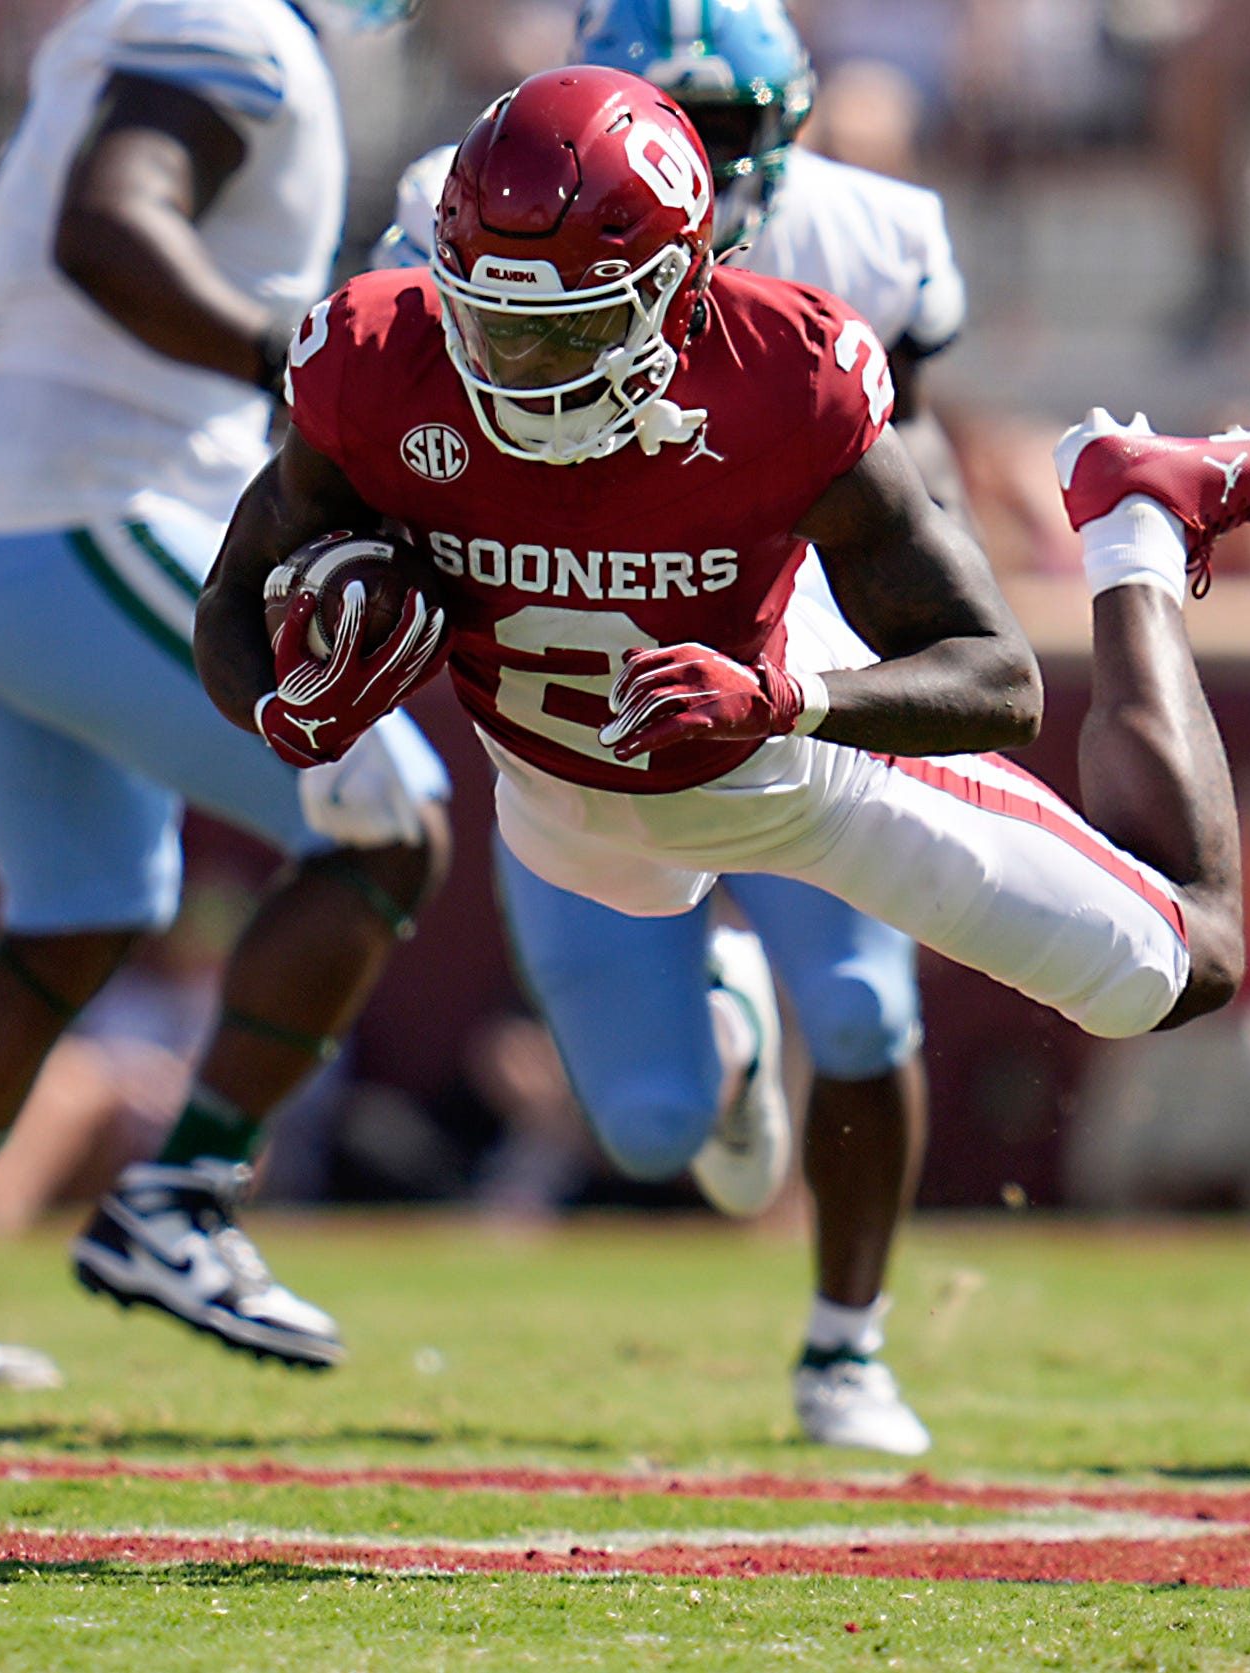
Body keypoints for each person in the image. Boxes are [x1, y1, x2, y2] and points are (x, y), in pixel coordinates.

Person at [189, 49, 1250, 1346]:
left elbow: (995, 679)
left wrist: (783, 704)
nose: (523, 364)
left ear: (679, 287)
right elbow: (233, 595)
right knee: (675, 1137)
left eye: (569, 324)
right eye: (496, 320)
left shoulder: (783, 377)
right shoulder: (373, 358)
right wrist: (284, 713)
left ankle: (1134, 518)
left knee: (1183, 968)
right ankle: (736, 1022)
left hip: (790, 781)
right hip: (560, 808)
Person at [367, 0, 972, 1456]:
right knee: (647, 1126)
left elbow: (916, 472)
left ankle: (846, 1342)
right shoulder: (460, 217)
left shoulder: (873, 237)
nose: (703, 162)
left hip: (790, 670)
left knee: (864, 1009)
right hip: (569, 690)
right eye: (672, 124)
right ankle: (729, 1038)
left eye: (732, 130)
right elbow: (375, 433)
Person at [0, 0, 450, 1376]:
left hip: (27, 510)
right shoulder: (224, 19)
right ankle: (179, 1200)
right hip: (88, 502)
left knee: (77, 916)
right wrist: (302, 369)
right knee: (389, 822)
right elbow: (112, 224)